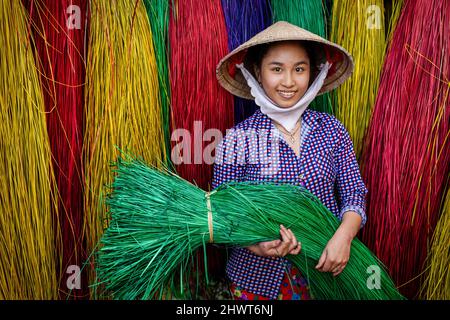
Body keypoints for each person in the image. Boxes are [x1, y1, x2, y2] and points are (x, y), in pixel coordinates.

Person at [212, 21, 368, 300]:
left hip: (323, 273)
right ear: (258, 73)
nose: (288, 81)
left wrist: (344, 237)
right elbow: (223, 213)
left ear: (313, 73)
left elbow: (354, 192)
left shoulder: (332, 130)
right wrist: (256, 244)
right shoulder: (237, 139)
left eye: (299, 69)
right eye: (276, 69)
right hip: (256, 282)